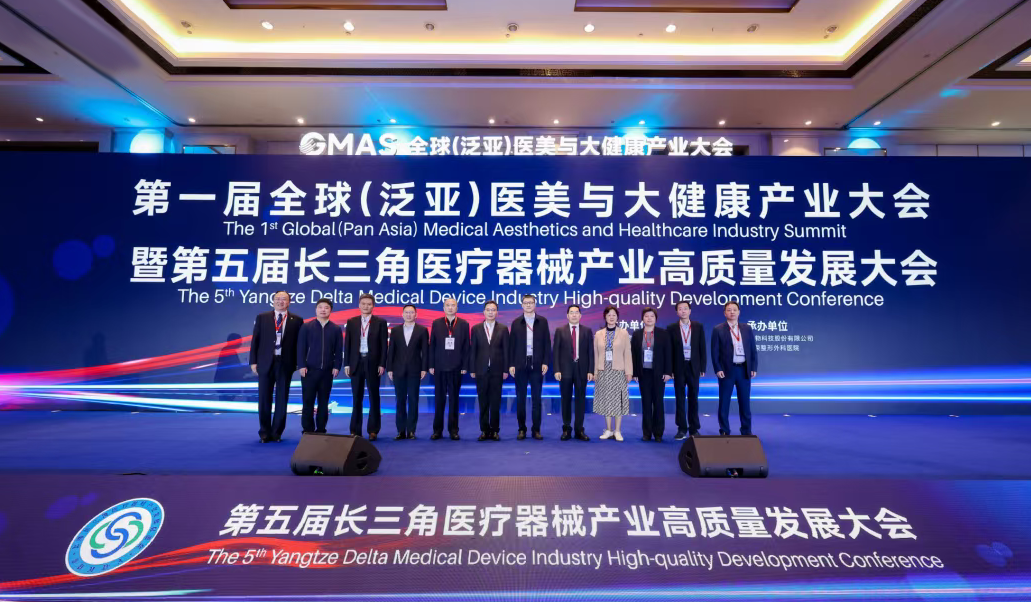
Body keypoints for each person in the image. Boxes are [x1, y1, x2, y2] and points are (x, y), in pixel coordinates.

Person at [249, 290, 302, 443]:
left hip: (285, 363)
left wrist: (298, 362)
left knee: (282, 399)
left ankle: (277, 432)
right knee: (264, 398)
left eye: (284, 299)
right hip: (265, 362)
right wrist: (253, 361)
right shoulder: (262, 317)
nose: (280, 301)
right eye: (278, 298)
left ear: (289, 302)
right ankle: (264, 432)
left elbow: (299, 344)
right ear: (273, 301)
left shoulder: (297, 320)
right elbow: (255, 340)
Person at [343, 294, 388, 440]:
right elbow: (347, 344)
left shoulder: (380, 322)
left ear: (373, 306)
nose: (366, 306)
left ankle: (373, 430)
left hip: (373, 363)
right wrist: (347, 363)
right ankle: (355, 430)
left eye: (369, 304)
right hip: (356, 363)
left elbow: (384, 345)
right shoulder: (352, 322)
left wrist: (382, 363)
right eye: (363, 303)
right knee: (357, 397)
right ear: (359, 305)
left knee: (374, 396)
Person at [710, 301, 759, 436]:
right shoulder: (718, 329)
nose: (732, 312)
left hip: (744, 370)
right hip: (727, 370)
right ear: (724, 313)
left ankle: (746, 431)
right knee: (724, 402)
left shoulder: (747, 328)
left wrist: (753, 367)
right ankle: (724, 430)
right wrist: (718, 368)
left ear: (739, 312)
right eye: (729, 310)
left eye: (734, 310)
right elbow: (714, 352)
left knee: (745, 403)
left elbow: (753, 349)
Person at [508, 294, 551, 440]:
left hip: (537, 365)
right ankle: (521, 429)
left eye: (531, 302)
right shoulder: (516, 323)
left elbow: (547, 344)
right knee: (520, 399)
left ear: (535, 304)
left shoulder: (542, 322)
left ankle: (536, 429)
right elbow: (511, 345)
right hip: (520, 365)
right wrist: (511, 364)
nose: (528, 305)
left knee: (536, 399)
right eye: (525, 303)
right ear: (522, 305)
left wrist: (545, 362)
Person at [296, 298, 343, 434]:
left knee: (323, 402)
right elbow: (301, 348)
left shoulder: (335, 329)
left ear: (330, 310)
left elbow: (338, 350)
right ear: (316, 309)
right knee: (308, 401)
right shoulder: (306, 327)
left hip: (327, 371)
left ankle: (321, 429)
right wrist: (301, 365)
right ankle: (307, 429)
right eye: (320, 307)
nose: (323, 310)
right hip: (309, 370)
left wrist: (337, 366)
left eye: (326, 307)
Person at [429, 297, 469, 440]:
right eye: (448, 305)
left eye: (453, 305)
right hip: (439, 367)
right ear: (443, 308)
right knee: (439, 400)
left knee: (454, 400)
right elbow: (432, 345)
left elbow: (466, 347)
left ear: (457, 308)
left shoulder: (464, 324)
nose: (450, 308)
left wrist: (465, 365)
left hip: (456, 367)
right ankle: (437, 430)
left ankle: (453, 430)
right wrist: (431, 365)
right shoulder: (437, 323)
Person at [386, 304, 428, 440]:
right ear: (402, 314)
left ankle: (411, 431)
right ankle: (400, 431)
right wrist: (389, 368)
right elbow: (391, 350)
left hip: (415, 370)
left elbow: (425, 351)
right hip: (398, 370)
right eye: (406, 312)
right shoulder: (395, 330)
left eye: (411, 312)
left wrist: (424, 368)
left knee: (414, 400)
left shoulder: (422, 330)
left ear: (416, 315)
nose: (409, 315)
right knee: (400, 400)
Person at [552, 304, 593, 441]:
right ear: (567, 315)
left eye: (576, 312)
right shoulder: (560, 330)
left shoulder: (587, 331)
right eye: (571, 312)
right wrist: (557, 369)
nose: (574, 315)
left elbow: (590, 352)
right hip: (565, 370)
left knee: (581, 400)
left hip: (582, 369)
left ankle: (579, 430)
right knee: (566, 399)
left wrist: (590, 370)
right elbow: (555, 352)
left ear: (580, 316)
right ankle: (566, 429)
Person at [631, 307, 672, 442]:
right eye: (646, 316)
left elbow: (668, 353)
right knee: (646, 403)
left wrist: (668, 372)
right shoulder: (637, 334)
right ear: (642, 319)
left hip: (659, 373)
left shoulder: (663, 334)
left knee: (658, 403)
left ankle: (658, 433)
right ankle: (647, 433)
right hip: (643, 373)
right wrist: (635, 372)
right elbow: (634, 355)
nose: (649, 318)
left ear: (656, 319)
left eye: (652, 316)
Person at [470, 300, 509, 441]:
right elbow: (473, 350)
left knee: (495, 402)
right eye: (488, 310)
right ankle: (484, 430)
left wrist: (505, 369)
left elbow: (506, 351)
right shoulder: (476, 328)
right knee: (483, 401)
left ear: (497, 312)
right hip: (481, 370)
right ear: (484, 312)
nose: (491, 312)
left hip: (497, 370)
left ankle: (495, 430)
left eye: (493, 310)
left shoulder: (503, 329)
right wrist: (472, 368)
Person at [667, 300, 706, 439]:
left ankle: (694, 428)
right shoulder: (671, 328)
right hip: (678, 367)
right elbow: (669, 350)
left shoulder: (698, 326)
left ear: (690, 311)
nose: (683, 311)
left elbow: (702, 347)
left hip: (693, 366)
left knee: (693, 398)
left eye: (685, 308)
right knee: (680, 398)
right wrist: (670, 369)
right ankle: (682, 428)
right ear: (676, 312)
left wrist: (702, 366)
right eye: (680, 309)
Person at [592, 305, 632, 442]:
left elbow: (627, 353)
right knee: (606, 400)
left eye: (614, 315)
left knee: (618, 401)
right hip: (603, 371)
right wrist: (595, 372)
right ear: (605, 317)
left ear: (617, 317)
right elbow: (596, 354)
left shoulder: (624, 333)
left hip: (618, 371)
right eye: (609, 315)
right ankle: (608, 430)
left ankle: (618, 430)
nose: (611, 317)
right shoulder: (598, 334)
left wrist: (629, 372)